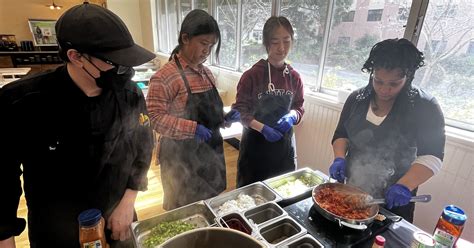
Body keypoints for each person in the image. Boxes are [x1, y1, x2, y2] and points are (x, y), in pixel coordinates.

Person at [0, 3, 155, 247]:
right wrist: (5, 239)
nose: (123, 70)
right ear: (75, 56)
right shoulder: (22, 102)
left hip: (118, 221)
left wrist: (128, 202)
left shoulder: (129, 94)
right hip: (56, 231)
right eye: (113, 61)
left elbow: (143, 148)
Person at [329, 38, 445, 222]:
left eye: (393, 84)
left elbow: (433, 156)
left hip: (395, 199)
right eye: (378, 81)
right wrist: (339, 158)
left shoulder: (424, 106)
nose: (384, 89)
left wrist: (404, 186)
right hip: (352, 190)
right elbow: (341, 134)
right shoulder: (357, 99)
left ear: (408, 77)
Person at [147, 9, 237, 210]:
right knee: (185, 211)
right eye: (203, 43)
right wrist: (193, 128)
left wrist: (225, 118)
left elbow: (210, 116)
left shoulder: (207, 73)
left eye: (211, 46)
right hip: (181, 159)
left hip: (211, 154)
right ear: (185, 38)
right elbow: (155, 118)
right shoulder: (165, 76)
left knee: (211, 206)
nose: (207, 50)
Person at [232, 16, 305, 187]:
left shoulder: (294, 77)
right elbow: (240, 111)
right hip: (255, 151)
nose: (281, 48)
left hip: (283, 151)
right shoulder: (252, 76)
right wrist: (262, 128)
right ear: (266, 43)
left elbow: (299, 106)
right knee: (249, 200)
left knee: (283, 195)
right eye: (275, 42)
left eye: (286, 41)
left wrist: (292, 117)